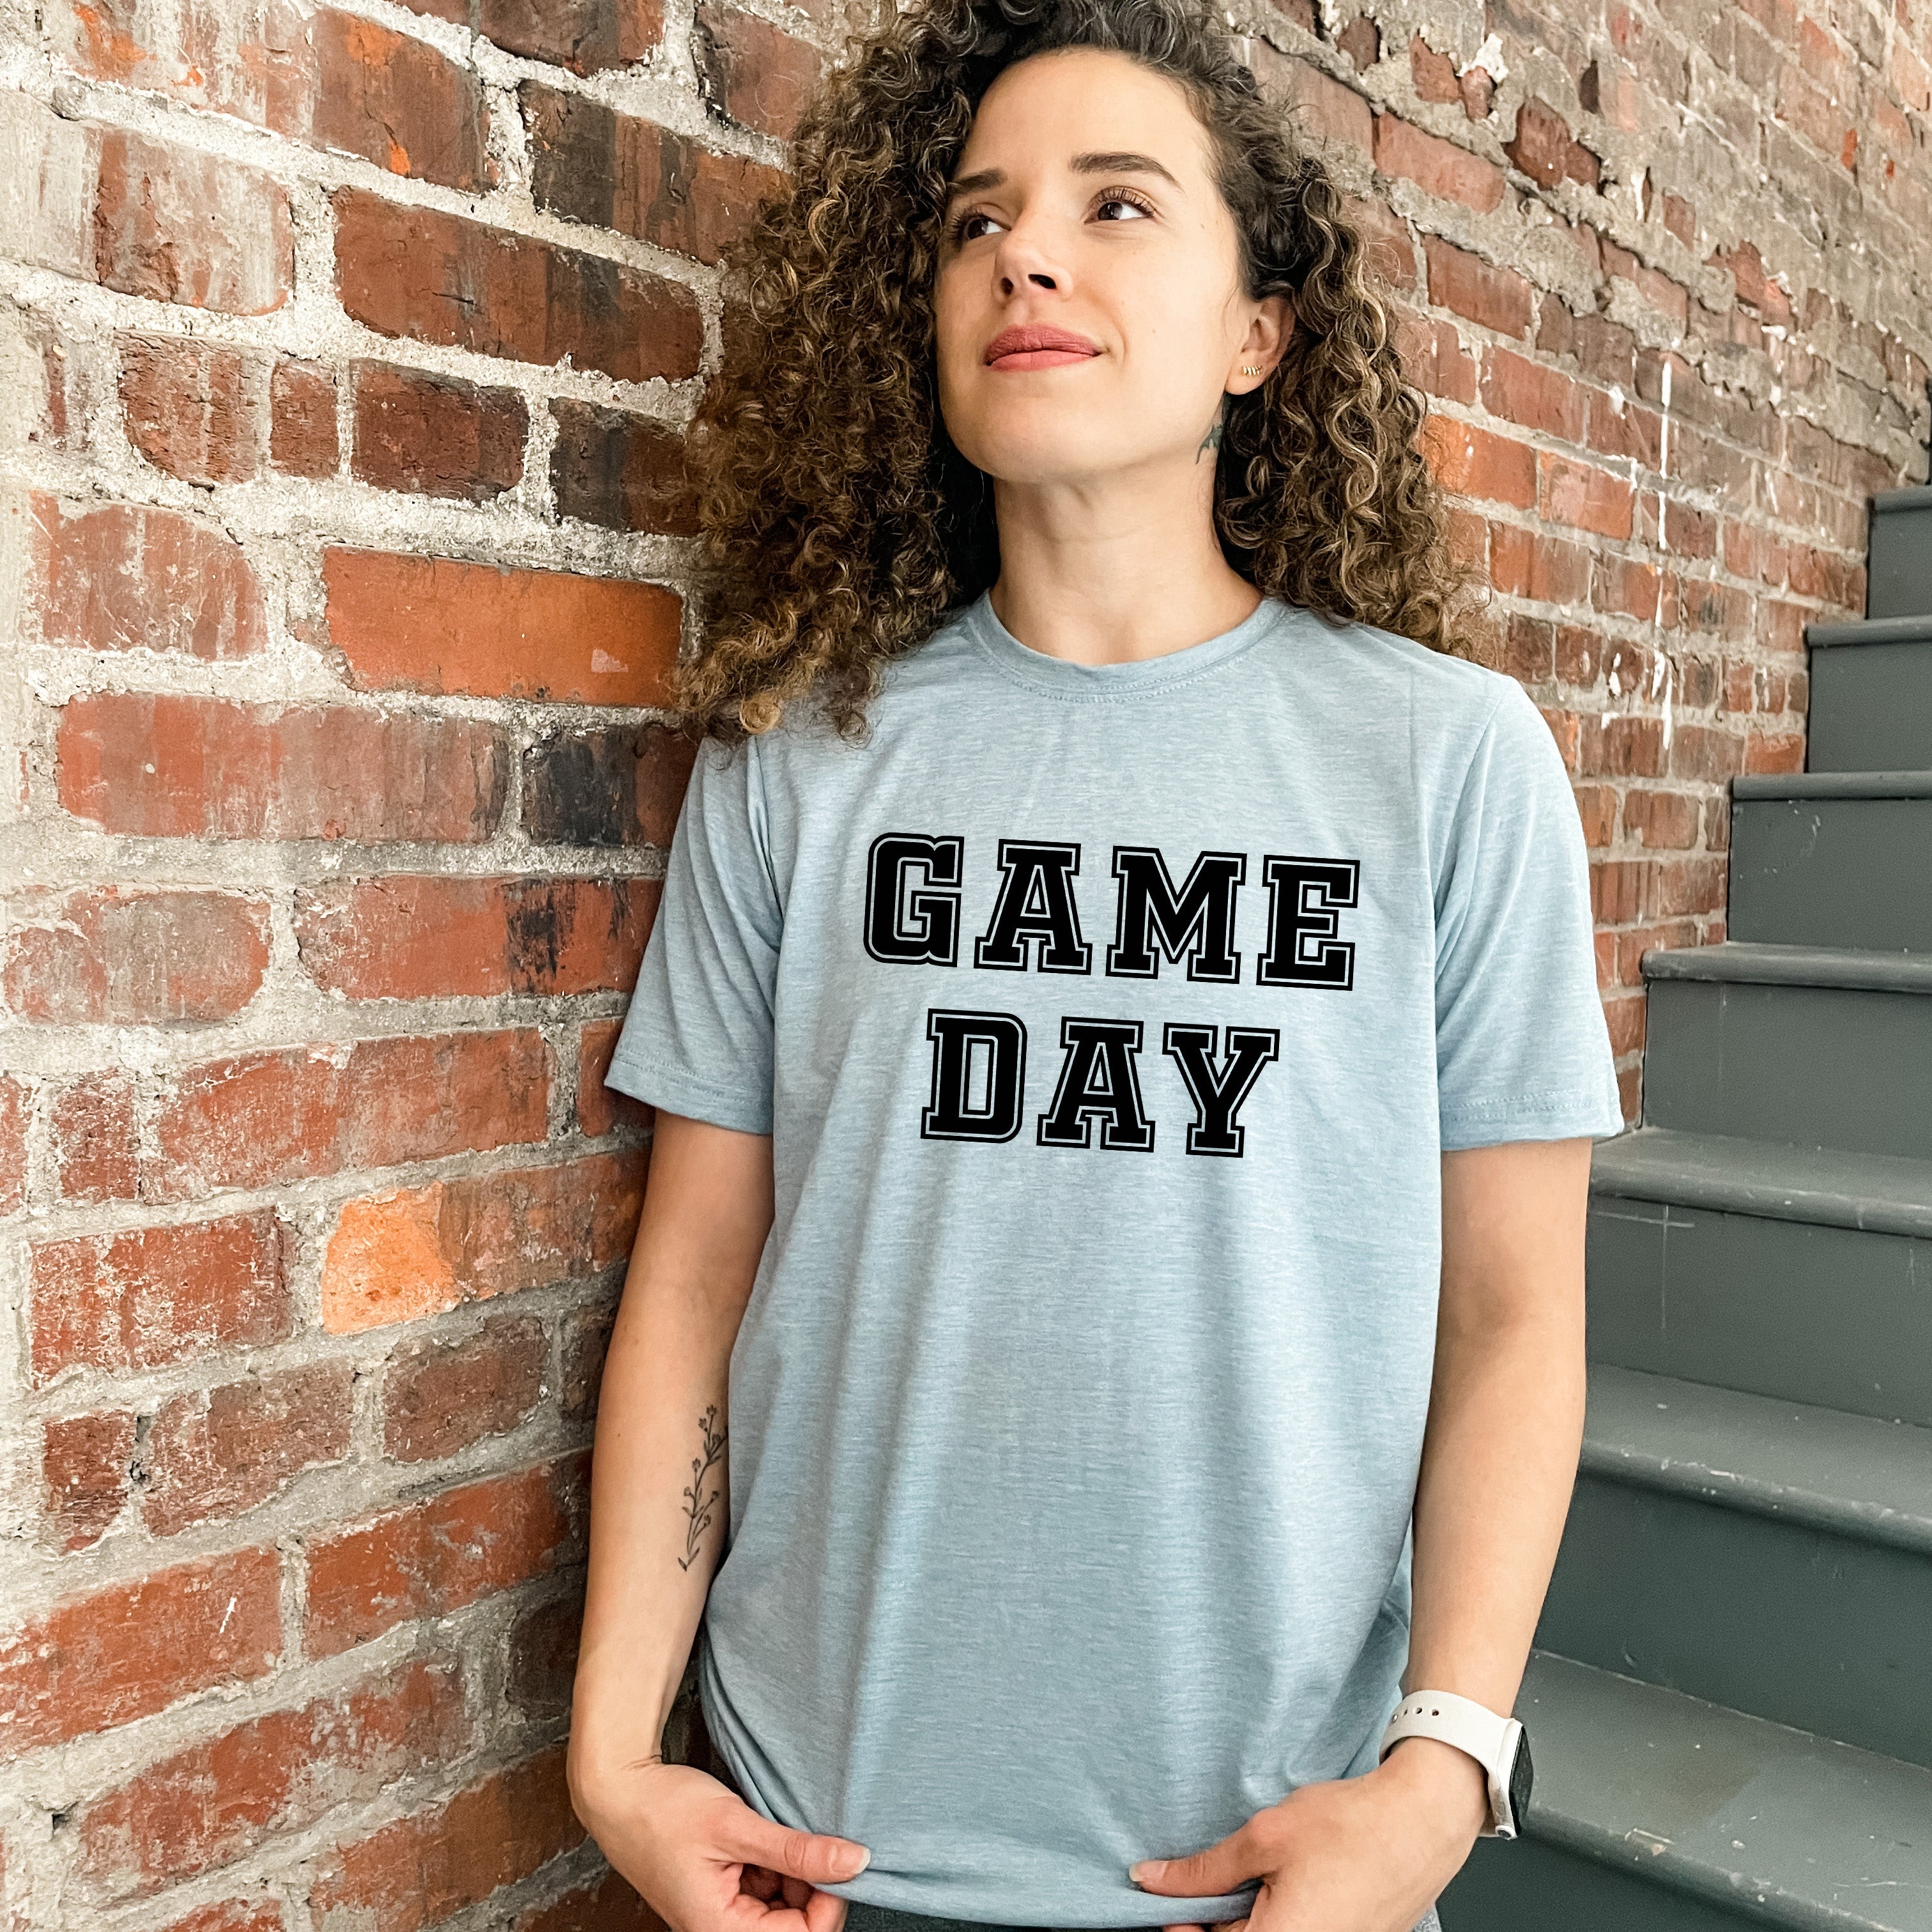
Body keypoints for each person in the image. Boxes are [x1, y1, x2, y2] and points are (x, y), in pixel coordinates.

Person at [565, 0, 1625, 1929]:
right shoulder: (799, 756)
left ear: (1256, 336)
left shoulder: (1447, 760)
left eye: (1116, 205)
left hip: (1268, 1874)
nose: (1026, 256)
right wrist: (617, 1756)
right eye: (976, 220)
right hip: (816, 1862)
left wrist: (1443, 1774)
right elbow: (700, 1273)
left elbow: (1511, 1317)